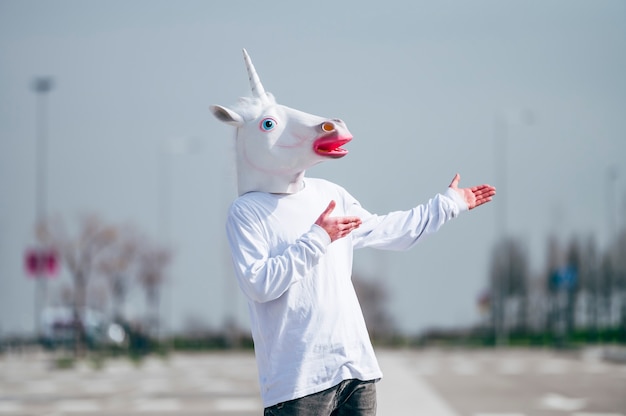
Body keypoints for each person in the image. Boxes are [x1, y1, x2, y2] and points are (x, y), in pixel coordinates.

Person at [213, 49, 496, 415]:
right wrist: (318, 237)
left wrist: (448, 204)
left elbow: (392, 232)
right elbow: (258, 284)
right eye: (270, 125)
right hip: (298, 384)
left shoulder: (330, 195)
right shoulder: (246, 212)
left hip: (355, 370)